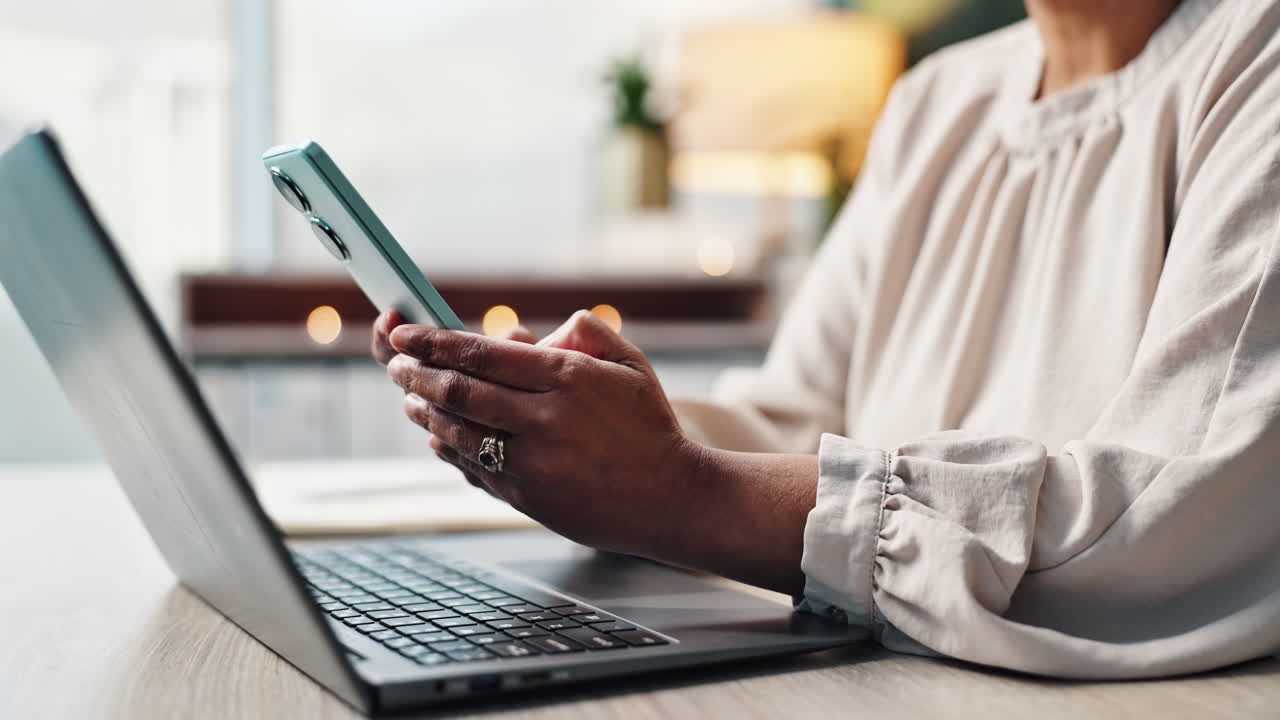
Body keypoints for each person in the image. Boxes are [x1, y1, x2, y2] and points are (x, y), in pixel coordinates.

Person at [372, 0, 1280, 679]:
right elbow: (796, 418)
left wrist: (677, 491)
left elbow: (1166, 518)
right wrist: (576, 416)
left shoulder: (1254, 59)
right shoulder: (938, 100)